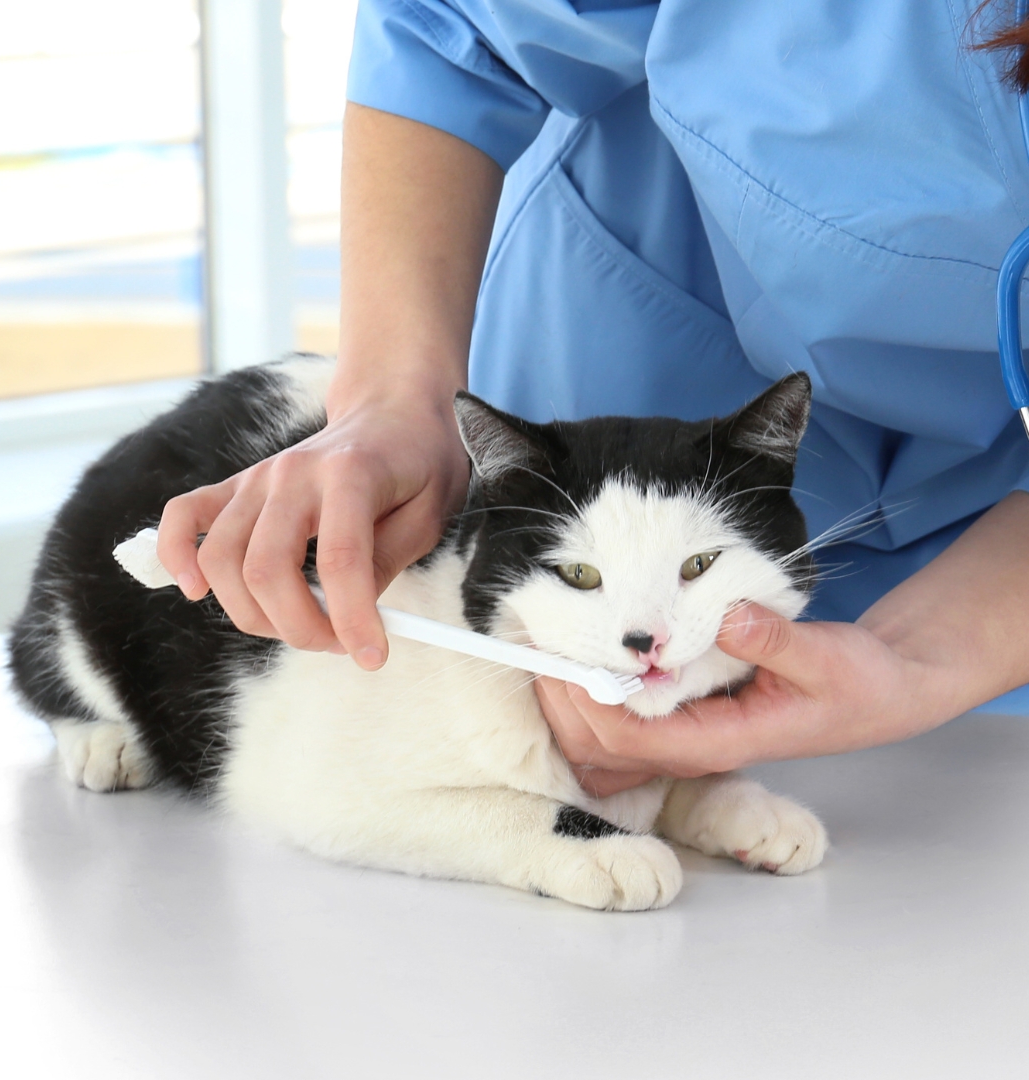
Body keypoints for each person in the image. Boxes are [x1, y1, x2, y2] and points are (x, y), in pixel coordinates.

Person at [156, 0, 1029, 796]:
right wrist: (391, 390)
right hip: (611, 359)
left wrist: (918, 663)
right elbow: (448, 28)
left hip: (987, 573)